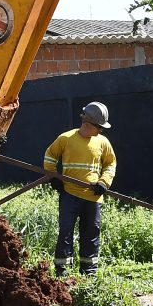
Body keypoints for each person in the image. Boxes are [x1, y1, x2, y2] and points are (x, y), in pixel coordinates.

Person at [43, 101, 117, 276]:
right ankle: (62, 271)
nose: (101, 130)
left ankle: (88, 272)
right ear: (88, 123)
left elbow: (110, 164)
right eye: (99, 127)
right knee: (65, 232)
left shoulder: (103, 142)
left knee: (91, 234)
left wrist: (104, 182)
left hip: (93, 197)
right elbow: (50, 156)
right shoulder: (66, 139)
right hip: (69, 195)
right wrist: (53, 176)